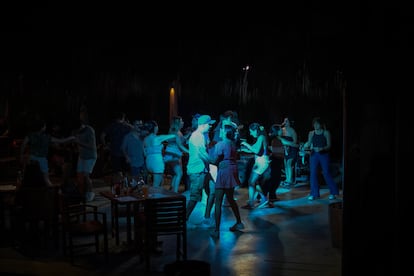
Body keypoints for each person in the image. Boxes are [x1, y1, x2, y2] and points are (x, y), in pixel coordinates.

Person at [209, 123, 244, 238]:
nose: (220, 130)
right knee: (230, 198)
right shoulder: (232, 143)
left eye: (222, 129)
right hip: (233, 169)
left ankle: (216, 230)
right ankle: (239, 222)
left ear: (225, 132)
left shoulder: (221, 144)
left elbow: (216, 160)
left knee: (218, 201)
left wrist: (206, 158)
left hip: (224, 171)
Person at [20, 118, 76, 186]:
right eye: (44, 126)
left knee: (25, 175)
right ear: (42, 127)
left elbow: (23, 145)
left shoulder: (30, 135)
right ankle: (52, 193)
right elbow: (61, 141)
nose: (45, 127)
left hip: (31, 158)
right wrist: (72, 138)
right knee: (46, 179)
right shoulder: (46, 137)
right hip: (42, 159)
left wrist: (21, 155)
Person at [185, 114, 216, 228]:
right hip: (197, 171)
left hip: (203, 169)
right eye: (209, 124)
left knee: (212, 191)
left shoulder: (202, 135)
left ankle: (207, 217)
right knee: (194, 197)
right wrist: (215, 162)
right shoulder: (197, 136)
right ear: (203, 125)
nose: (211, 126)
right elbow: (202, 154)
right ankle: (184, 220)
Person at [303, 117, 339, 200]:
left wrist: (322, 148)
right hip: (314, 154)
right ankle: (314, 193)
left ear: (321, 124)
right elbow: (309, 143)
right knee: (313, 173)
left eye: (317, 124)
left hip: (323, 154)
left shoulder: (326, 133)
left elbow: (329, 145)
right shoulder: (311, 133)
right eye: (314, 124)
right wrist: (305, 147)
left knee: (326, 172)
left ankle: (333, 192)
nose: (315, 125)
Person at [239, 122, 270, 209]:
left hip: (261, 162)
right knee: (253, 182)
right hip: (261, 161)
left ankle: (255, 201)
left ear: (255, 130)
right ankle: (258, 200)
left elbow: (256, 151)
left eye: (251, 131)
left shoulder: (261, 137)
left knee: (251, 182)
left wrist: (246, 144)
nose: (250, 133)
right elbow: (255, 150)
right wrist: (243, 149)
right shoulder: (260, 137)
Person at [142, 120, 176, 187]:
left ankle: (157, 195)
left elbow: (144, 153)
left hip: (148, 162)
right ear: (155, 128)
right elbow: (173, 136)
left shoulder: (145, 139)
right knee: (156, 185)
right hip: (157, 162)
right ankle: (154, 197)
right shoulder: (157, 138)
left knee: (160, 182)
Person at [73, 115, 98, 202]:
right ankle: (82, 194)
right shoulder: (76, 131)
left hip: (90, 156)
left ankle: (90, 193)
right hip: (82, 156)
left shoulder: (89, 130)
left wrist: (78, 142)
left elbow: (91, 146)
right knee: (79, 175)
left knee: (86, 176)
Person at [100, 111, 133, 175]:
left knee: (118, 171)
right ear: (123, 118)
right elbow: (137, 131)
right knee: (126, 171)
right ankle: (126, 183)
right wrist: (128, 124)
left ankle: (120, 182)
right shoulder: (127, 126)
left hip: (115, 151)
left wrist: (105, 144)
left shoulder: (111, 126)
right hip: (126, 152)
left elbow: (102, 135)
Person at [163, 116, 189, 193]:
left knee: (175, 173)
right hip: (175, 154)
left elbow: (180, 139)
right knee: (179, 174)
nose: (183, 122)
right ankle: (175, 192)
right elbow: (180, 145)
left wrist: (188, 135)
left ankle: (171, 190)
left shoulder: (172, 130)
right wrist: (189, 152)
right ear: (178, 123)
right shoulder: (177, 132)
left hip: (169, 153)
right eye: (181, 121)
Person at [264, 124, 285, 203]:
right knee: (274, 180)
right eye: (280, 130)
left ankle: (272, 196)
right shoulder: (275, 140)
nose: (281, 131)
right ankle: (269, 196)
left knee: (275, 179)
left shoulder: (277, 139)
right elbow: (276, 152)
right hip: (276, 160)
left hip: (277, 160)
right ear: (276, 131)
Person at [280, 117, 299, 188]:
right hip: (284, 149)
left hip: (292, 149)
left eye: (286, 121)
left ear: (290, 122)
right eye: (284, 121)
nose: (285, 122)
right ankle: (287, 179)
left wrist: (288, 145)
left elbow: (295, 142)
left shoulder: (292, 130)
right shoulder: (281, 130)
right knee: (285, 164)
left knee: (289, 163)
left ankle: (290, 180)